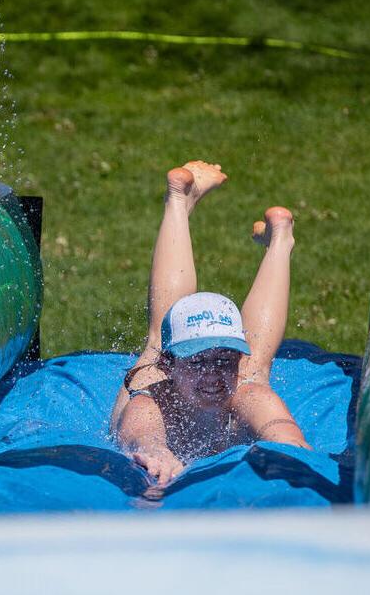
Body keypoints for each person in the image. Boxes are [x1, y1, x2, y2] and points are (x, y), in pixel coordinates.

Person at [111, 160, 309, 487]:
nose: (214, 375)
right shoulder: (150, 399)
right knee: (158, 341)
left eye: (224, 360)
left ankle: (281, 236)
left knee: (254, 367)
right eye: (199, 362)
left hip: (236, 379)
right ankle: (180, 201)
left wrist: (289, 446)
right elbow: (144, 437)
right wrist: (156, 453)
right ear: (169, 366)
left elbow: (282, 431)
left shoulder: (246, 394)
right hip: (158, 375)